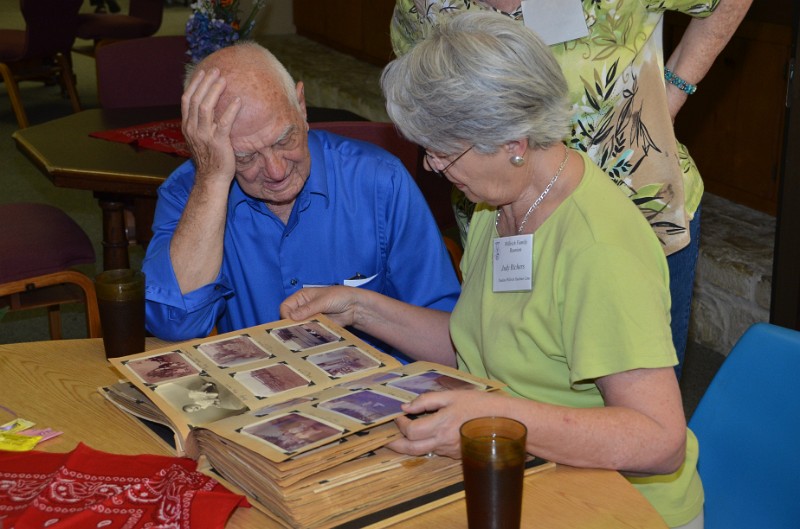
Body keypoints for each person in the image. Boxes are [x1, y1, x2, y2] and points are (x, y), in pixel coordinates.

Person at [281, 12, 702, 528]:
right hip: (530, 470)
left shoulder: (598, 249)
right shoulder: (498, 207)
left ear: (514, 144)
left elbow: (660, 441)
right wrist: (360, 308)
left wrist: (494, 417)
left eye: (442, 152)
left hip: (622, 504)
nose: (433, 168)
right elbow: (479, 341)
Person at [390, 0, 752, 378]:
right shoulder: (423, 5)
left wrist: (670, 94)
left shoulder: (607, 245)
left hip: (630, 208)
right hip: (502, 213)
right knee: (512, 362)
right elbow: (425, 100)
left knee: (631, 385)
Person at [142, 42, 460, 346]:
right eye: (245, 157)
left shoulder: (379, 181)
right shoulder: (190, 193)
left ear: (302, 106)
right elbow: (173, 324)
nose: (277, 171)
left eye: (284, 140)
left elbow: (447, 333)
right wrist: (211, 180)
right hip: (257, 394)